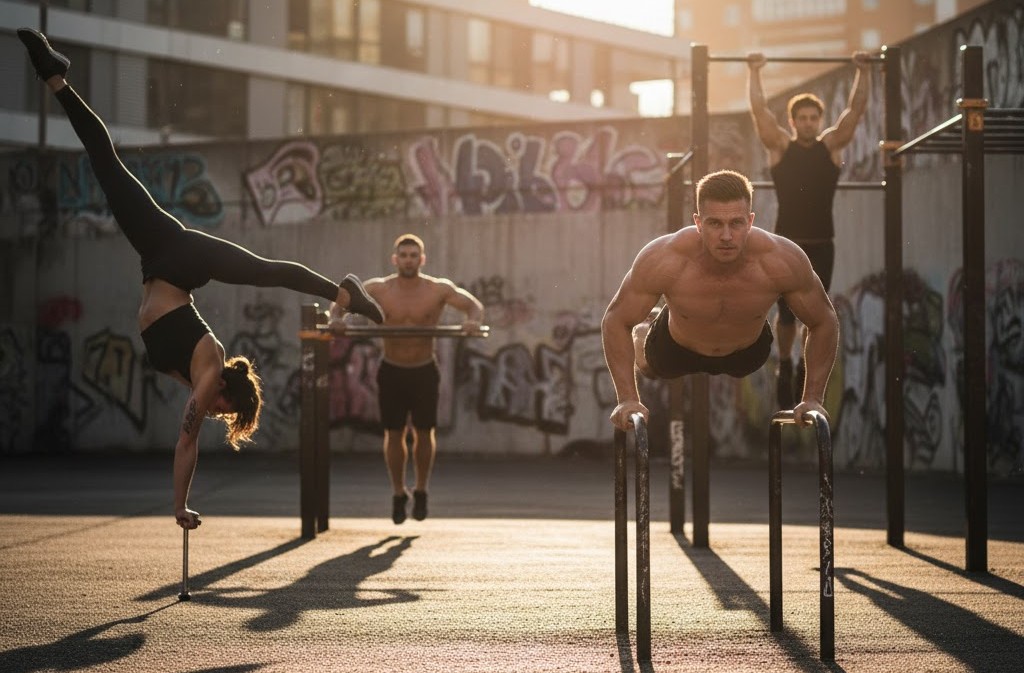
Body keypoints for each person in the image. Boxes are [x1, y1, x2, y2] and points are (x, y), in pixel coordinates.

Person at [18, 28, 385, 531]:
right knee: (265, 272)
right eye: (225, 411)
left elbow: (188, 419)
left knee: (106, 168)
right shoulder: (209, 372)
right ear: (228, 393)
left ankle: (56, 77)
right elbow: (186, 440)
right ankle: (345, 291)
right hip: (183, 257)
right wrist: (179, 504)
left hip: (157, 257)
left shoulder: (191, 376)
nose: (214, 413)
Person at [601, 169, 838, 431]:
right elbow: (616, 319)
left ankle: (655, 320)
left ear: (750, 221)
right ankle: (647, 330)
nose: (726, 236)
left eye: (736, 223)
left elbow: (823, 320)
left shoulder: (780, 259)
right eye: (715, 223)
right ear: (698, 222)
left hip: (746, 354)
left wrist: (813, 399)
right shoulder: (666, 257)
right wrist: (627, 399)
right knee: (647, 359)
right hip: (676, 348)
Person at [330, 234, 484, 524]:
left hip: (425, 370)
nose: (409, 260)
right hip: (392, 370)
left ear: (422, 259)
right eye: (404, 255)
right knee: (394, 433)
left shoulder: (438, 289)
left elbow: (474, 306)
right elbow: (341, 299)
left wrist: (473, 321)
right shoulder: (379, 288)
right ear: (395, 259)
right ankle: (399, 493)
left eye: (414, 255)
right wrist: (335, 318)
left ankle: (422, 490)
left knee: (425, 433)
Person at [748, 51, 870, 408]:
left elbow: (855, 112)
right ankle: (784, 363)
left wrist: (863, 70)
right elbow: (759, 112)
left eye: (813, 117)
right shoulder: (780, 148)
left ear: (820, 121)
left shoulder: (830, 147)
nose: (808, 122)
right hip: (786, 244)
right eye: (801, 118)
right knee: (786, 314)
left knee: (814, 313)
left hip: (821, 244)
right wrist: (754, 71)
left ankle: (802, 364)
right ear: (793, 121)